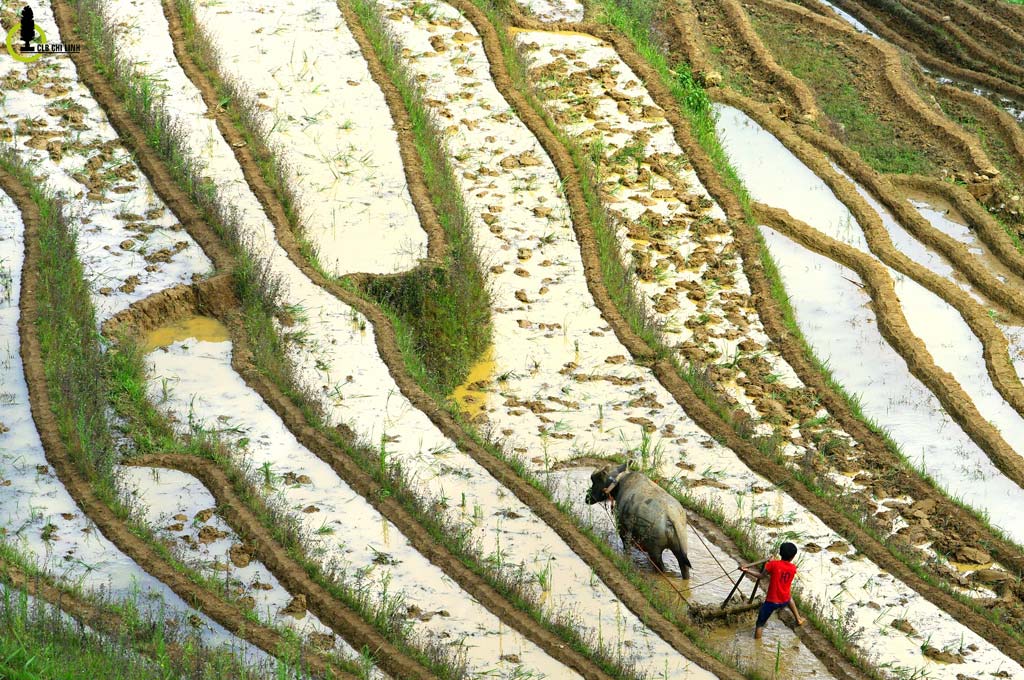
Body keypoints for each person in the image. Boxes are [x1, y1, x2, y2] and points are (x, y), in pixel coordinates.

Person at [740, 542, 805, 639]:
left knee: (760, 624)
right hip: (784, 599)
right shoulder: (793, 568)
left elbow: (761, 576)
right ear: (793, 557)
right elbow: (782, 567)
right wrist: (772, 562)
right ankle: (798, 618)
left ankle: (757, 643)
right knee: (790, 598)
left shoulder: (772, 564)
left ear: (780, 553)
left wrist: (747, 570)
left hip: (771, 601)